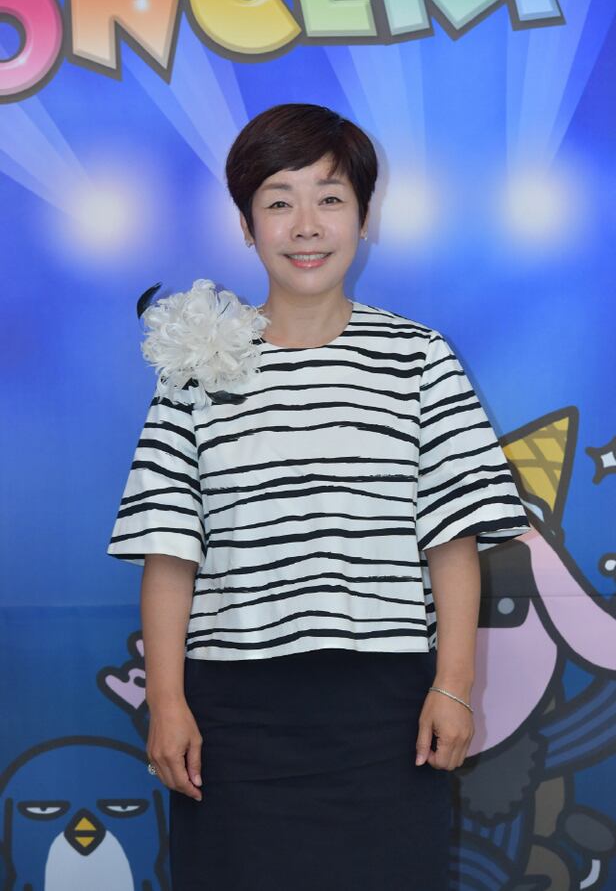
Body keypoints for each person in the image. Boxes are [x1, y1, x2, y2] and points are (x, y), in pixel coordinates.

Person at [107, 103, 531, 890]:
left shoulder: (419, 359)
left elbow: (452, 540)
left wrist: (454, 685)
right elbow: (169, 551)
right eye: (279, 201)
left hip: (388, 712)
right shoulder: (197, 367)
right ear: (246, 225)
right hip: (234, 714)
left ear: (365, 216)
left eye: (330, 198)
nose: (306, 225)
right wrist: (167, 702)